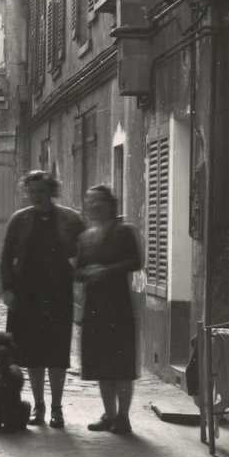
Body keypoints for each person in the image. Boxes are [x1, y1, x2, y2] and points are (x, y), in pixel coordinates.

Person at [0, 170, 85, 428]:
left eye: (42, 191)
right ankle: (39, 407)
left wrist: (80, 270)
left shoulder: (70, 218)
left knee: (57, 353)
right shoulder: (20, 220)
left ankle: (57, 409)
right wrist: (8, 289)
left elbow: (87, 246)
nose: (36, 196)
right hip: (27, 294)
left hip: (58, 293)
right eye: (32, 192)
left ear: (52, 191)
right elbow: (6, 257)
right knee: (32, 353)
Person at [75, 184, 142, 433]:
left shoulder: (124, 231)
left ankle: (123, 417)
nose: (93, 205)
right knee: (101, 363)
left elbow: (135, 261)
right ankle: (109, 414)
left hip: (119, 306)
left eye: (98, 201)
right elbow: (78, 270)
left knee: (121, 365)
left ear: (110, 203)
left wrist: (106, 270)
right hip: (94, 307)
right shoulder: (85, 237)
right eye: (89, 201)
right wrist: (86, 274)